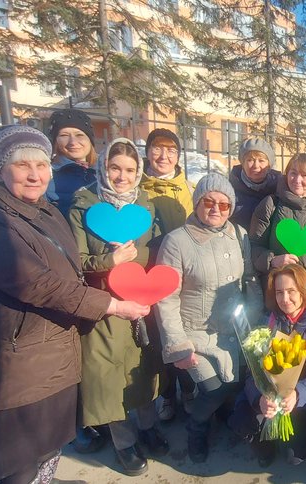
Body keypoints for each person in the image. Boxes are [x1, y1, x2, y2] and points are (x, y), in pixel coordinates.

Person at [0, 125, 149, 484]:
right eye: (22, 165)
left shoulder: (45, 212)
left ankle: (43, 478)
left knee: (49, 440)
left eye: (41, 165)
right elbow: (36, 284)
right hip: (12, 357)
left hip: (53, 347)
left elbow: (71, 268)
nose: (34, 174)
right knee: (19, 454)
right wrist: (113, 305)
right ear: (1, 170)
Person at [68, 138, 166, 476]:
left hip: (140, 300)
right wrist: (110, 260)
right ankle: (124, 443)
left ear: (138, 172)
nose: (122, 177)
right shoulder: (84, 205)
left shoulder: (145, 205)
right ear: (103, 168)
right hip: (104, 305)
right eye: (115, 168)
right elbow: (75, 260)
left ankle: (149, 427)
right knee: (109, 377)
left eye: (129, 170)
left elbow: (155, 250)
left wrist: (133, 257)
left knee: (141, 370)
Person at [154, 173, 254, 463]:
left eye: (224, 205)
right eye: (208, 201)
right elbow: (166, 298)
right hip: (194, 333)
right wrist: (178, 345)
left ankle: (220, 410)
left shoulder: (239, 235)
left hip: (233, 329)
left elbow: (248, 280)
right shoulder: (176, 242)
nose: (215, 209)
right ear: (197, 202)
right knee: (213, 388)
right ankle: (196, 426)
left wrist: (255, 324)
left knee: (235, 383)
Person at [240, 264, 306, 467]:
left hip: (305, 401)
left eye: (291, 291)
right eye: (279, 292)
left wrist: (298, 394)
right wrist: (260, 398)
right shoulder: (269, 321)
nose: (285, 299)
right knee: (243, 422)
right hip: (272, 399)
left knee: (293, 456)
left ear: (304, 290)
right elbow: (251, 371)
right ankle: (266, 443)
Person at [139, 128, 198, 422]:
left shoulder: (188, 188)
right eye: (157, 149)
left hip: (181, 275)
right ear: (148, 152)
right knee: (155, 339)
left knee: (181, 332)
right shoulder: (137, 187)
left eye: (171, 151)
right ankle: (165, 396)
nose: (164, 156)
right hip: (145, 276)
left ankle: (187, 390)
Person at [250, 153, 306, 285]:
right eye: (293, 173)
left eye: (304, 175)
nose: (297, 180)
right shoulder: (271, 204)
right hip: (280, 290)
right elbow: (254, 246)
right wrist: (272, 260)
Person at [46, 109, 98, 218]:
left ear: (90, 139)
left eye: (79, 135)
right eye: (64, 135)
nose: (73, 142)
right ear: (55, 141)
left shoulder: (106, 172)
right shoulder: (46, 176)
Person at [229, 138, 282, 229]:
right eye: (250, 160)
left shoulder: (280, 188)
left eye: (261, 161)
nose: (256, 166)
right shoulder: (230, 189)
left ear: (269, 165)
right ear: (243, 163)